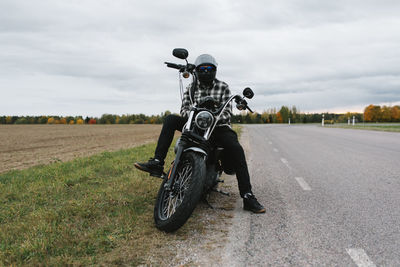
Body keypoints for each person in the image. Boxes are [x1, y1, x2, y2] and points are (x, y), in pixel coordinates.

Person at [134, 54, 265, 213]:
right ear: (197, 70)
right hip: (195, 125)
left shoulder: (223, 87)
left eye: (209, 69)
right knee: (170, 119)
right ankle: (157, 162)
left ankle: (248, 196)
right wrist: (196, 116)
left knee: (236, 148)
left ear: (215, 70)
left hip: (218, 127)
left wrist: (212, 115)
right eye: (202, 69)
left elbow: (226, 114)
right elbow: (184, 109)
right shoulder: (191, 88)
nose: (206, 72)